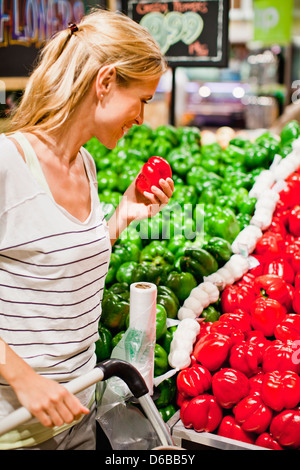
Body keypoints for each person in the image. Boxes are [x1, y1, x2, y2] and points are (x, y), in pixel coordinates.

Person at [0, 8, 173, 450]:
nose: (141, 117)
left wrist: (120, 218)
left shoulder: (85, 164)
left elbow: (61, 272)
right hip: (14, 427)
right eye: (143, 99)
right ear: (105, 82)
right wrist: (24, 379)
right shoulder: (8, 163)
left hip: (78, 415)